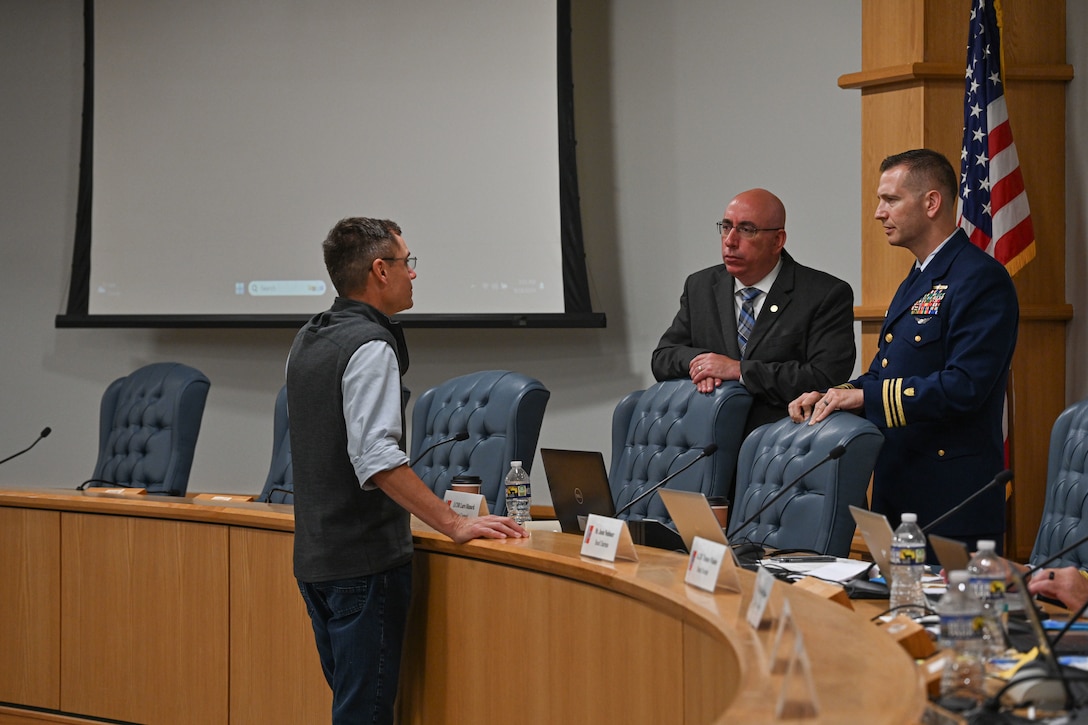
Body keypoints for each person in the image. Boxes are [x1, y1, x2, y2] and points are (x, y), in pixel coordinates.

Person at [286, 217, 527, 724]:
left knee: (351, 706)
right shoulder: (368, 346)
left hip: (317, 558)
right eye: (406, 262)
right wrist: (455, 522)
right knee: (365, 714)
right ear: (380, 270)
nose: (412, 274)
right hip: (363, 563)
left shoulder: (310, 337)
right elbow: (376, 459)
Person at [789, 149, 1019, 551]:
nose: (879, 212)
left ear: (931, 203)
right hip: (900, 489)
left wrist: (866, 396)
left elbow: (965, 386)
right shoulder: (918, 278)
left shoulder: (979, 279)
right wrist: (835, 395)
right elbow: (885, 371)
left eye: (890, 200)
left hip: (950, 501)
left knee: (949, 616)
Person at [651, 188, 856, 439]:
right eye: (726, 227)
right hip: (705, 441)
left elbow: (824, 377)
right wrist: (705, 363)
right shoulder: (700, 286)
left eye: (747, 230)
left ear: (778, 240)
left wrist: (739, 370)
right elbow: (663, 358)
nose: (730, 241)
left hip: (782, 442)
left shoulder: (824, 294)